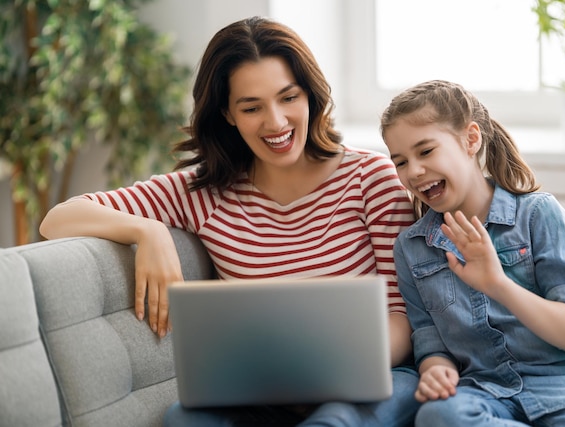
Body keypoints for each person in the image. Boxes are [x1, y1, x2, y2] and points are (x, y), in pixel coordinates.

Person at [40, 16, 422, 427]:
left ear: (310, 95)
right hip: (262, 392)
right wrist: (145, 229)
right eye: (252, 107)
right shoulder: (202, 192)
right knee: (182, 420)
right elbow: (57, 219)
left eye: (288, 97)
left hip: (372, 378)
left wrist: (326, 373)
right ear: (227, 113)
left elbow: (402, 312)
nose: (275, 122)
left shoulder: (371, 178)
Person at [379, 79, 565, 426]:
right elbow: (429, 340)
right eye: (401, 161)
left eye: (426, 151)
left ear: (471, 139)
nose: (414, 172)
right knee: (438, 416)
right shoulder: (412, 248)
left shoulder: (539, 216)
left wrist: (497, 283)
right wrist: (437, 370)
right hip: (482, 391)